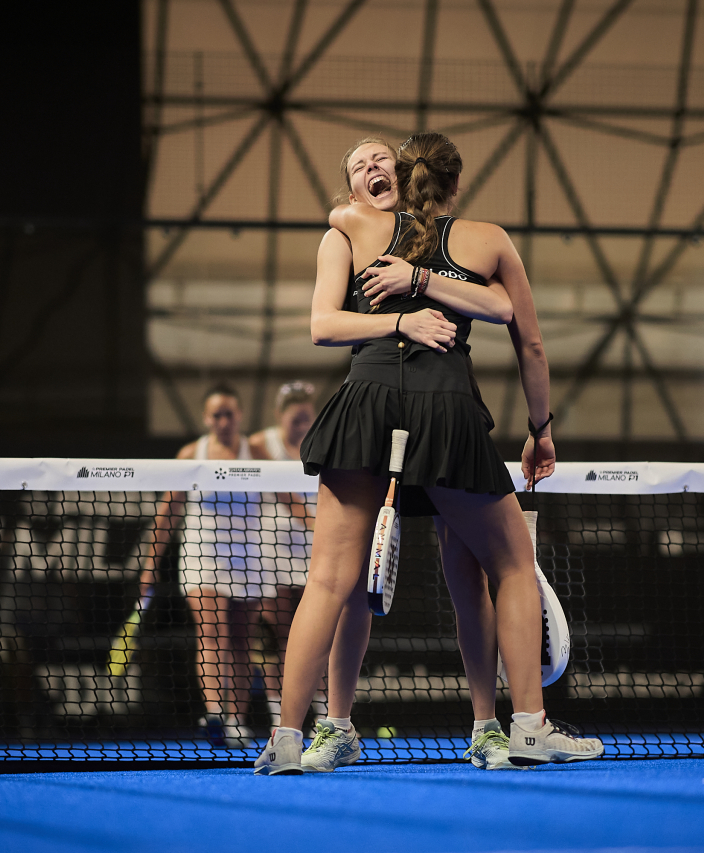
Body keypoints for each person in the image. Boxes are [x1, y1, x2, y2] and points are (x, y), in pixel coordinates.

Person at [255, 132, 603, 774]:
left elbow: (497, 309)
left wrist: (417, 280)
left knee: (338, 579)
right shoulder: (450, 235)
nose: (368, 167)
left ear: (403, 172)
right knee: (508, 565)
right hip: (441, 411)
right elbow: (523, 334)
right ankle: (525, 726)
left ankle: (287, 738)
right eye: (356, 164)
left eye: (379, 158)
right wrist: (540, 427)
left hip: (368, 406)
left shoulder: (377, 232)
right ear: (455, 182)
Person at [139, 383, 260, 747]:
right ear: (207, 418)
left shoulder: (255, 452)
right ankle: (213, 714)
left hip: (249, 557)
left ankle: (237, 721)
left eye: (229, 413)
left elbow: (286, 498)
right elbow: (167, 515)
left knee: (241, 641)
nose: (223, 420)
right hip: (202, 555)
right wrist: (150, 567)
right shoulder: (191, 454)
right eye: (216, 414)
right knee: (212, 632)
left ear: (239, 415)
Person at [240, 380, 326, 730]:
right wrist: (310, 521)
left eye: (307, 418)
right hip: (271, 553)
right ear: (280, 416)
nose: (302, 425)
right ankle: (279, 715)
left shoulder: (325, 443)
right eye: (296, 419)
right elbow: (280, 493)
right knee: (278, 637)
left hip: (315, 552)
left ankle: (323, 712)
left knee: (319, 633)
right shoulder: (261, 444)